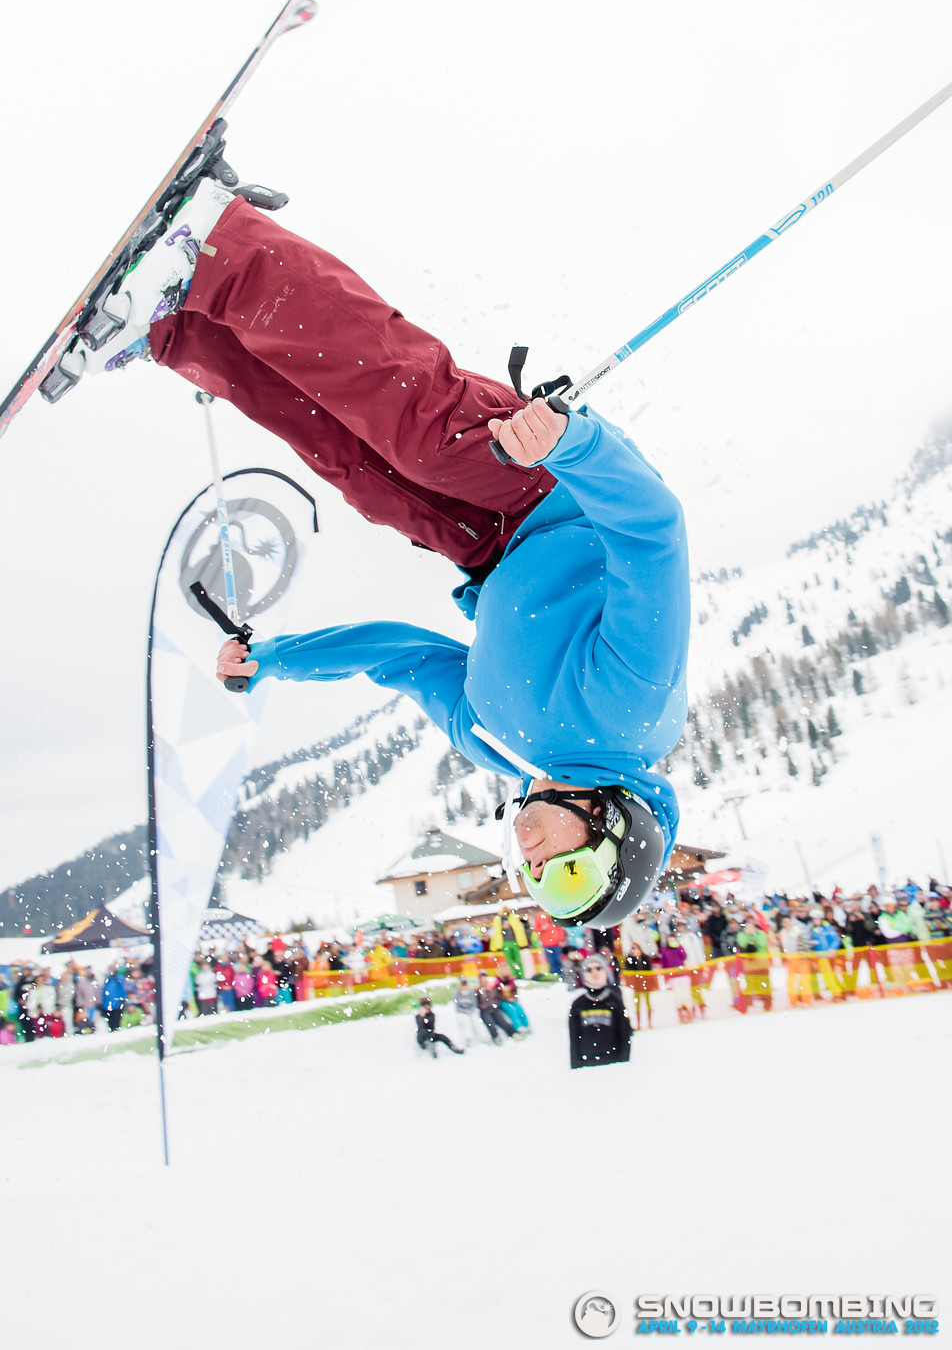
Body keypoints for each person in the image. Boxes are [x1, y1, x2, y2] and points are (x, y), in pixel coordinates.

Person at [70, 170, 690, 929]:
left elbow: (402, 657)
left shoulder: (504, 747)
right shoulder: (629, 713)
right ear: (615, 832)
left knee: (357, 469)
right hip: (559, 492)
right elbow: (653, 533)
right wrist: (577, 445)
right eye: (563, 875)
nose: (531, 861)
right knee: (423, 435)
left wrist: (279, 659)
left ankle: (177, 325)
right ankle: (221, 243)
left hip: (490, 548)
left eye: (535, 884)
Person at [568, 954, 633, 1069]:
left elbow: (625, 1035)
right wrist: (576, 1066)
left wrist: (624, 1064)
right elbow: (573, 1038)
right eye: (589, 969)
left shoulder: (615, 1001)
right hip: (587, 1066)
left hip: (613, 1063)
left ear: (606, 972)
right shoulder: (578, 1004)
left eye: (598, 968)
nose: (594, 972)